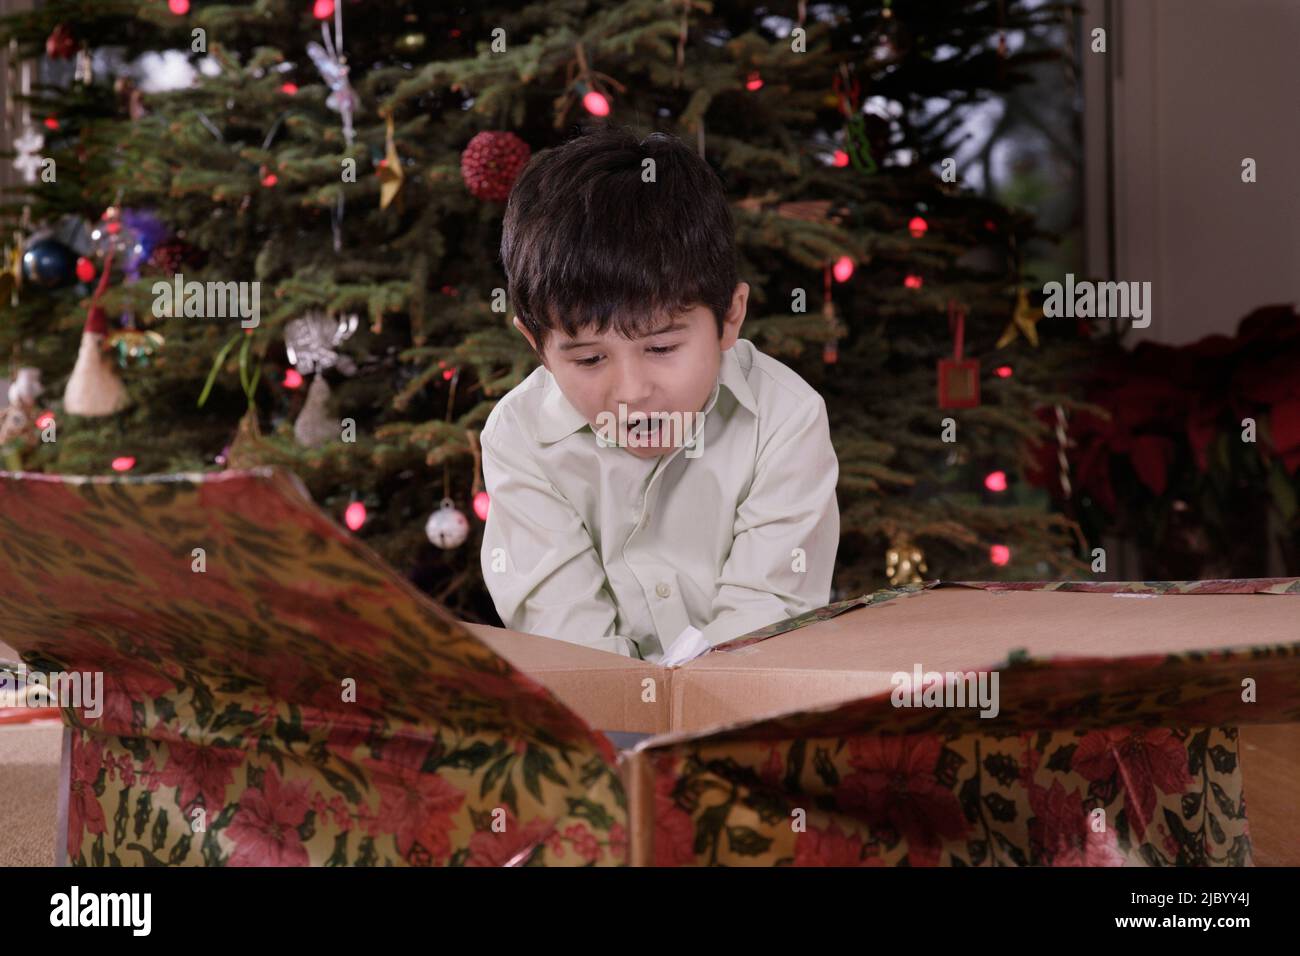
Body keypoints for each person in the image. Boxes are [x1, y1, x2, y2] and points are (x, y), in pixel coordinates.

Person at [480, 125, 839, 663]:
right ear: (537, 345)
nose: (631, 392)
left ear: (729, 319)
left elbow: (768, 617)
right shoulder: (519, 438)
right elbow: (567, 639)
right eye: (589, 359)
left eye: (663, 348)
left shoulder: (786, 419)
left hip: (750, 707)